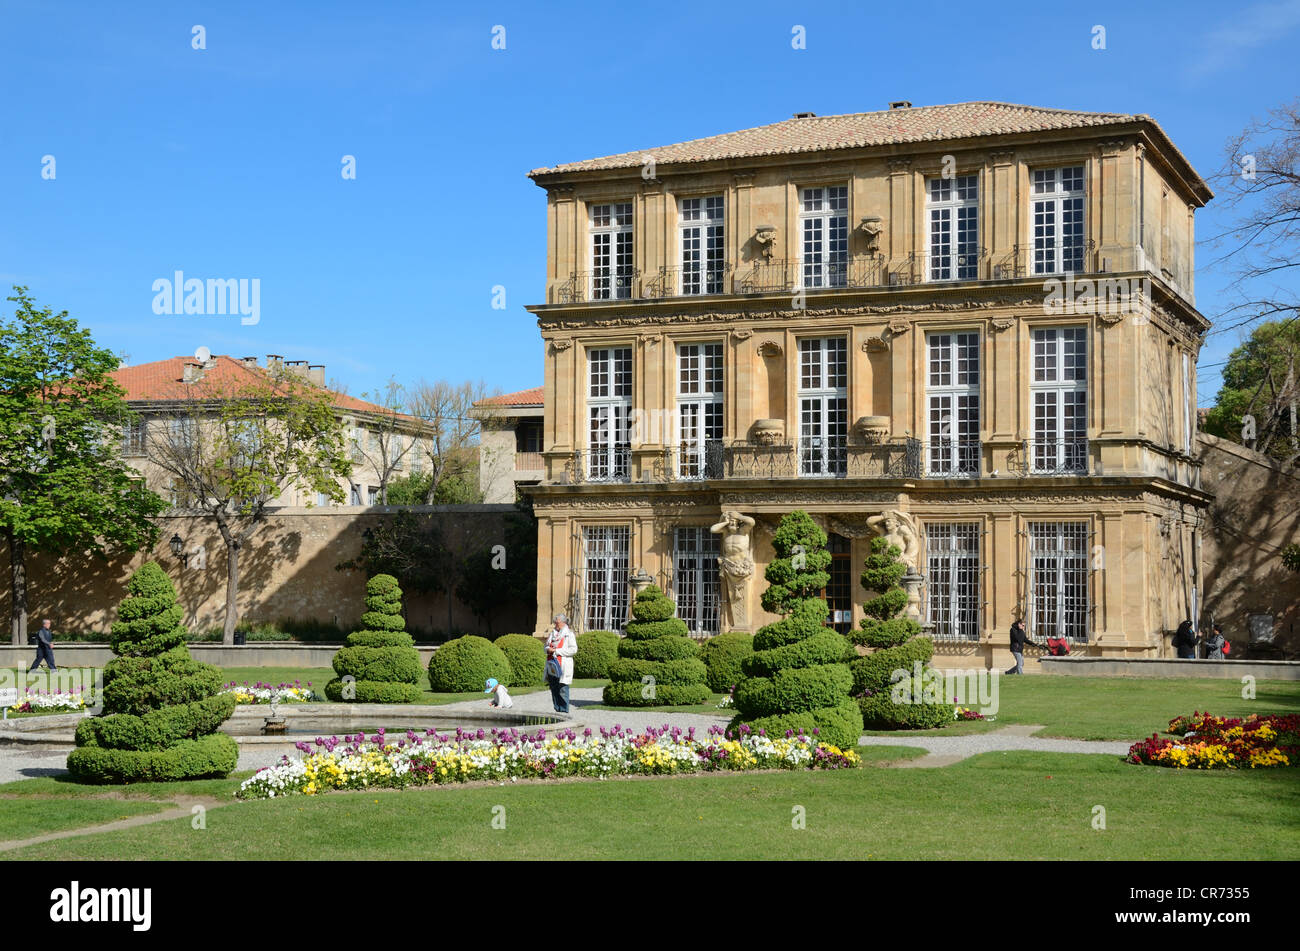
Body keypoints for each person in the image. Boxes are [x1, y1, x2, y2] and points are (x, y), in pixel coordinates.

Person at [545, 613, 578, 714]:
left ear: (563, 623)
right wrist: (548, 649)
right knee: (554, 688)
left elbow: (573, 650)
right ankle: (557, 710)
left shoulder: (569, 634)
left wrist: (556, 651)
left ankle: (564, 711)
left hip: (563, 665)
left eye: (557, 622)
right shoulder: (552, 634)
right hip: (552, 665)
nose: (555, 624)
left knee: (563, 689)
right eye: (555, 622)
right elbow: (545, 646)